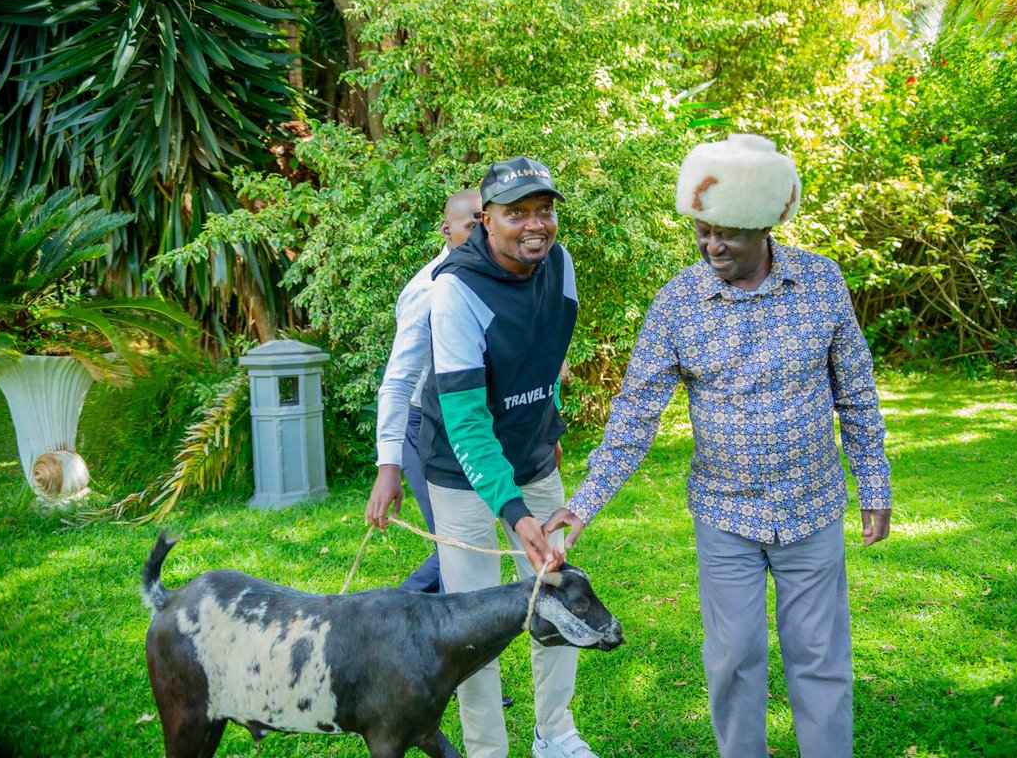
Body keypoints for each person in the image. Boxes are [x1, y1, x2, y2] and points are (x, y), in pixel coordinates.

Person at [544, 134, 892, 758]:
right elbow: (635, 415)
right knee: (734, 658)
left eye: (725, 233)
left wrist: (874, 484)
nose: (711, 246)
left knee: (819, 658)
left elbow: (858, 395)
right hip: (726, 514)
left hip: (810, 508)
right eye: (702, 232)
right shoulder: (680, 301)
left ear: (763, 225)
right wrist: (583, 503)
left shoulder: (821, 283)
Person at [419, 156, 597, 758]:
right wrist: (516, 515)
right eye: (515, 212)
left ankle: (556, 734)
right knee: (474, 630)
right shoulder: (455, 290)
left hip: (535, 460)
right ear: (485, 220)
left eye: (543, 210)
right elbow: (468, 426)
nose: (534, 224)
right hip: (461, 474)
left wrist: (545, 424)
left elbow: (545, 358)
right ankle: (487, 751)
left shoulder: (562, 264)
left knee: (558, 598)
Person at [366, 189, 481, 594]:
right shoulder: (427, 291)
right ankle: (387, 615)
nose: (482, 232)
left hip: (472, 426)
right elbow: (397, 383)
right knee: (454, 547)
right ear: (446, 230)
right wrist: (388, 468)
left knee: (465, 547)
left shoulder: (490, 277)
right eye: (471, 225)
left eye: (487, 221)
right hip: (425, 429)